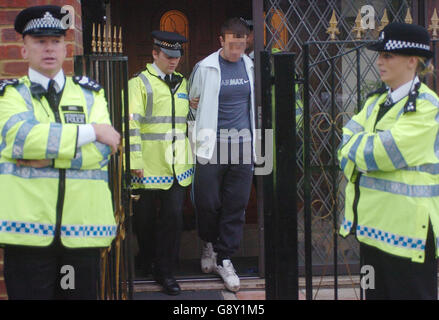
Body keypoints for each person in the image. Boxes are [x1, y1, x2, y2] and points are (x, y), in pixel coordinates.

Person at [0, 5, 120, 300]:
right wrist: (91, 131)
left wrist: (50, 156)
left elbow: (105, 150)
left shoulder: (91, 94)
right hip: (27, 234)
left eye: (56, 41)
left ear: (66, 49)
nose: (49, 48)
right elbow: (21, 138)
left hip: (81, 233)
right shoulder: (11, 94)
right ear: (24, 49)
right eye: (40, 41)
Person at [338, 22, 438, 300]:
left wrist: (362, 153)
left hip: (408, 236)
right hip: (372, 232)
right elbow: (344, 146)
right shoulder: (376, 102)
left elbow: (382, 153)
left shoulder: (427, 107)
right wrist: (363, 152)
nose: (379, 61)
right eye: (380, 55)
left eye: (388, 56)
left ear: (412, 61)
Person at [188, 17, 255, 292]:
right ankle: (208, 243)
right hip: (211, 145)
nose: (237, 51)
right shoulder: (205, 68)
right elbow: (191, 107)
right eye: (232, 45)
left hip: (243, 145)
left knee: (236, 204)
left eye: (241, 45)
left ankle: (225, 258)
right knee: (208, 202)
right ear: (221, 41)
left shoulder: (250, 65)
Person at [128, 30, 193, 296]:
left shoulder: (182, 83)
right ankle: (147, 258)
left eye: (177, 56)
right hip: (147, 166)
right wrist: (134, 160)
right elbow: (131, 124)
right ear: (154, 54)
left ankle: (165, 272)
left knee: (173, 219)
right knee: (143, 221)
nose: (173, 61)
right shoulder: (139, 83)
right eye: (168, 56)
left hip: (178, 166)